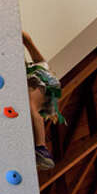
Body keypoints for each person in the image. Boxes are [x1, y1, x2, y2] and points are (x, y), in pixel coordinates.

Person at [23, 31, 64, 170]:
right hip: (46, 87)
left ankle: (42, 149)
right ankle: (41, 148)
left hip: (48, 86)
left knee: (30, 105)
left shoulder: (41, 67)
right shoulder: (33, 68)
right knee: (30, 106)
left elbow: (27, 39)